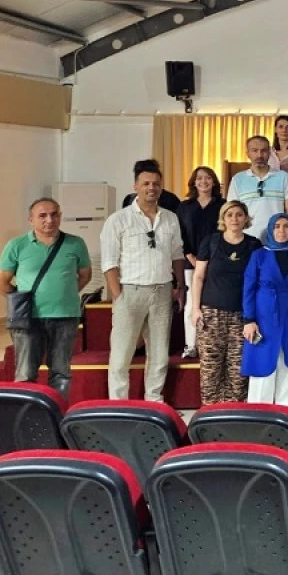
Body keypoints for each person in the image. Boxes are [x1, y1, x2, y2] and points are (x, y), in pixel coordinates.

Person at [101, 161, 185, 402]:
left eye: (156, 184)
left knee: (159, 353)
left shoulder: (170, 218)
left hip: (162, 291)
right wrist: (118, 296)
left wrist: (180, 286)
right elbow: (109, 262)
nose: (151, 188)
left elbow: (177, 254)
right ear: (135, 186)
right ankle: (118, 403)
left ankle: (154, 400)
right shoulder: (118, 220)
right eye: (146, 183)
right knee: (121, 354)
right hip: (130, 291)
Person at [0, 198, 91, 396]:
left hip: (66, 316)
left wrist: (63, 294)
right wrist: (22, 300)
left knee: (61, 372)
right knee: (25, 373)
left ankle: (56, 409)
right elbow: (1, 283)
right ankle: (27, 412)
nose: (49, 219)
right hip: (28, 318)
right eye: (42, 215)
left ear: (60, 216)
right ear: (31, 219)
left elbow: (85, 275)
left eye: (54, 214)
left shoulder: (76, 243)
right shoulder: (16, 245)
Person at [189, 200, 262, 404]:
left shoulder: (254, 245)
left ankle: (234, 414)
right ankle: (210, 413)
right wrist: (195, 308)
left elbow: (258, 282)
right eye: (229, 215)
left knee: (238, 371)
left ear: (246, 218)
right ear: (223, 218)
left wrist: (253, 317)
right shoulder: (211, 242)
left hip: (241, 316)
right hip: (211, 314)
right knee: (210, 370)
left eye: (239, 214)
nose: (234, 219)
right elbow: (198, 276)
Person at [241, 213, 288, 407]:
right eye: (277, 226)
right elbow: (248, 289)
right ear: (270, 229)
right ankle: (260, 408)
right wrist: (249, 319)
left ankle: (287, 407)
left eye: (286, 226)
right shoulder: (259, 255)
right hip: (264, 315)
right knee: (263, 356)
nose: (281, 231)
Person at [176, 166, 225, 359]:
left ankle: (212, 345)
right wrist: (191, 256)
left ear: (214, 182)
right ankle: (191, 345)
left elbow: (225, 232)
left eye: (208, 178)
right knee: (191, 304)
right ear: (193, 183)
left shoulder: (223, 205)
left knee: (214, 303)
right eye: (199, 178)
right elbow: (179, 234)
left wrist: (212, 260)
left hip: (216, 262)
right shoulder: (184, 207)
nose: (203, 181)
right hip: (191, 262)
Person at [228, 136, 288, 240]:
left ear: (269, 153)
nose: (259, 155)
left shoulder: (283, 177)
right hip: (247, 239)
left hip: (276, 238)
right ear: (248, 153)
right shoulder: (237, 180)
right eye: (254, 151)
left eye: (263, 151)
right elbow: (232, 212)